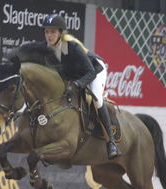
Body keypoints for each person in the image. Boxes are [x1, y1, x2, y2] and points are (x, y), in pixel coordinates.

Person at [42, 13, 120, 160]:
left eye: (53, 31)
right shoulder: (46, 49)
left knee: (96, 99)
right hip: (76, 75)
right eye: (47, 31)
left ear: (60, 33)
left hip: (95, 70)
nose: (49, 35)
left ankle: (112, 142)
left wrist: (78, 84)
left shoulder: (71, 47)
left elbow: (90, 72)